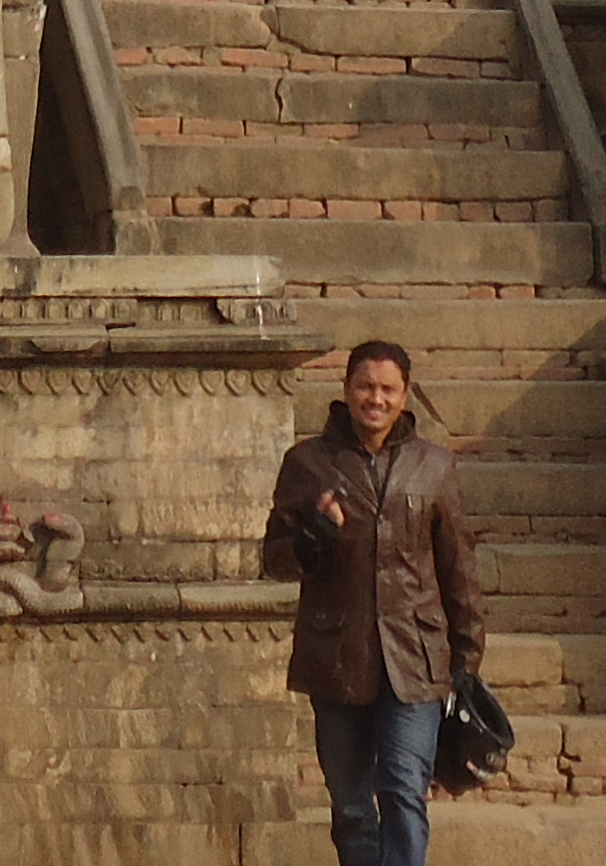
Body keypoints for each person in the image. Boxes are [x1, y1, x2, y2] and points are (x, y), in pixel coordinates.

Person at [263, 340, 484, 866]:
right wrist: (313, 534)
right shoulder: (309, 463)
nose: (375, 399)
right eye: (366, 386)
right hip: (338, 656)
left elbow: (459, 567)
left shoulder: (433, 467)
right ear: (346, 390)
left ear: (405, 396)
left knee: (405, 791)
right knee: (353, 807)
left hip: (416, 656)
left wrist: (467, 656)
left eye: (388, 389)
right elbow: (274, 559)